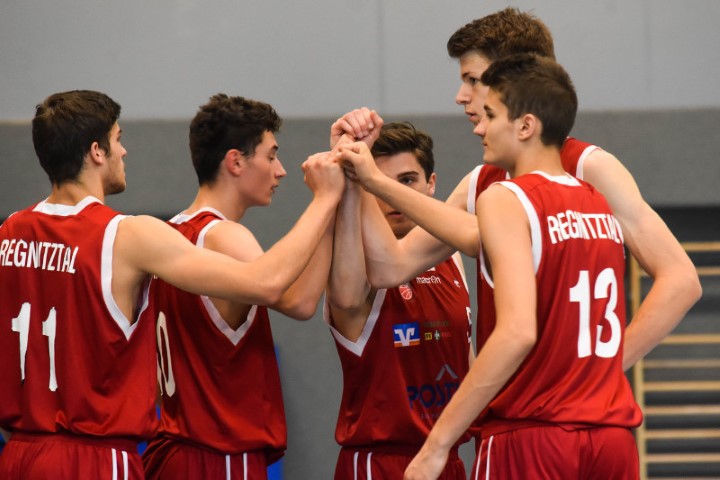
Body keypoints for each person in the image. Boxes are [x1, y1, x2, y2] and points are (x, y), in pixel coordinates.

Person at [332, 7, 700, 373]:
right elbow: (390, 267)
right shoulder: (480, 182)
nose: (461, 96)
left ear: (514, 79)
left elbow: (680, 279)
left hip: (571, 414)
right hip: (509, 418)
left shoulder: (590, 167)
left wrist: (602, 372)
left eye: (473, 80)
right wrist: (356, 170)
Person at [0, 90, 344, 479]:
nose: (124, 151)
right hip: (99, 453)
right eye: (118, 139)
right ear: (97, 152)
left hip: (20, 453)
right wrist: (326, 199)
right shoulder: (128, 235)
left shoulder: (10, 232)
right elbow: (270, 284)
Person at [398, 53, 642, 479]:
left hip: (533, 435)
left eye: (490, 114)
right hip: (611, 437)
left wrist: (436, 445)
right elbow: (470, 238)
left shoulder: (505, 198)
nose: (480, 126)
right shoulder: (597, 203)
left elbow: (516, 332)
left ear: (526, 125)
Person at [141, 94, 335, 479]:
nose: (279, 170)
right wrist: (326, 198)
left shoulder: (172, 233)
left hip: (175, 449)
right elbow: (298, 301)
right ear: (235, 161)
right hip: (219, 453)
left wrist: (331, 208)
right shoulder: (224, 234)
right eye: (271, 155)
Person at [325, 122, 473, 479]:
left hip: (446, 459)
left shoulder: (449, 255)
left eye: (406, 181)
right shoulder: (353, 258)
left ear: (431, 185)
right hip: (381, 463)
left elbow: (466, 356)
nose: (392, 194)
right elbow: (345, 299)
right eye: (380, 181)